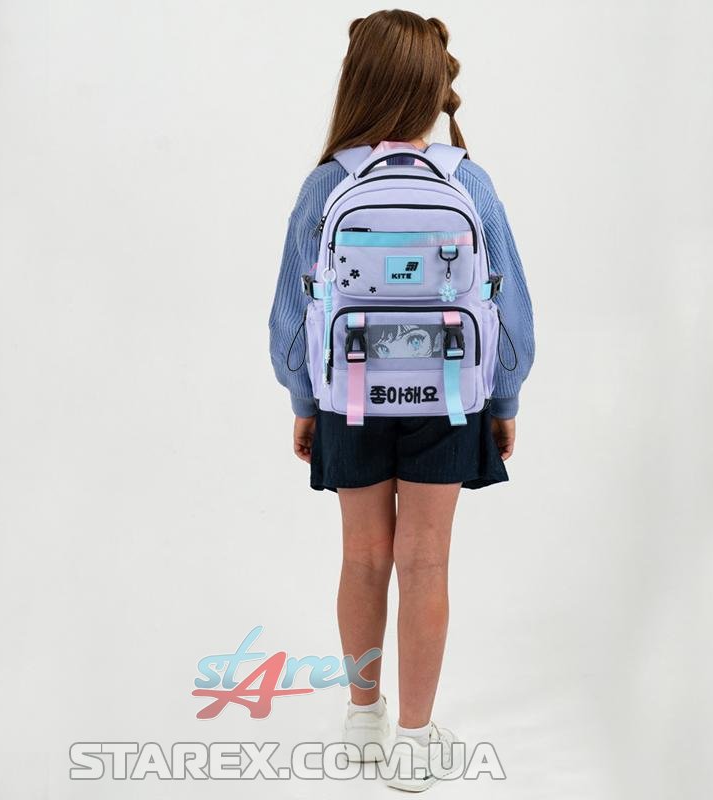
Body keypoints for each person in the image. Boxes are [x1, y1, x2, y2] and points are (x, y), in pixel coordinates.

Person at [268, 9, 535, 791]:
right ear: (433, 90)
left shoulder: (329, 183)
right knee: (425, 561)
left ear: (357, 84)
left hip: (348, 395)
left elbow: (292, 311)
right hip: (447, 399)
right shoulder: (466, 180)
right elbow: (511, 307)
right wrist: (504, 397)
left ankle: (362, 725)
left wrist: (304, 396)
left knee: (361, 557)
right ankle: (414, 743)